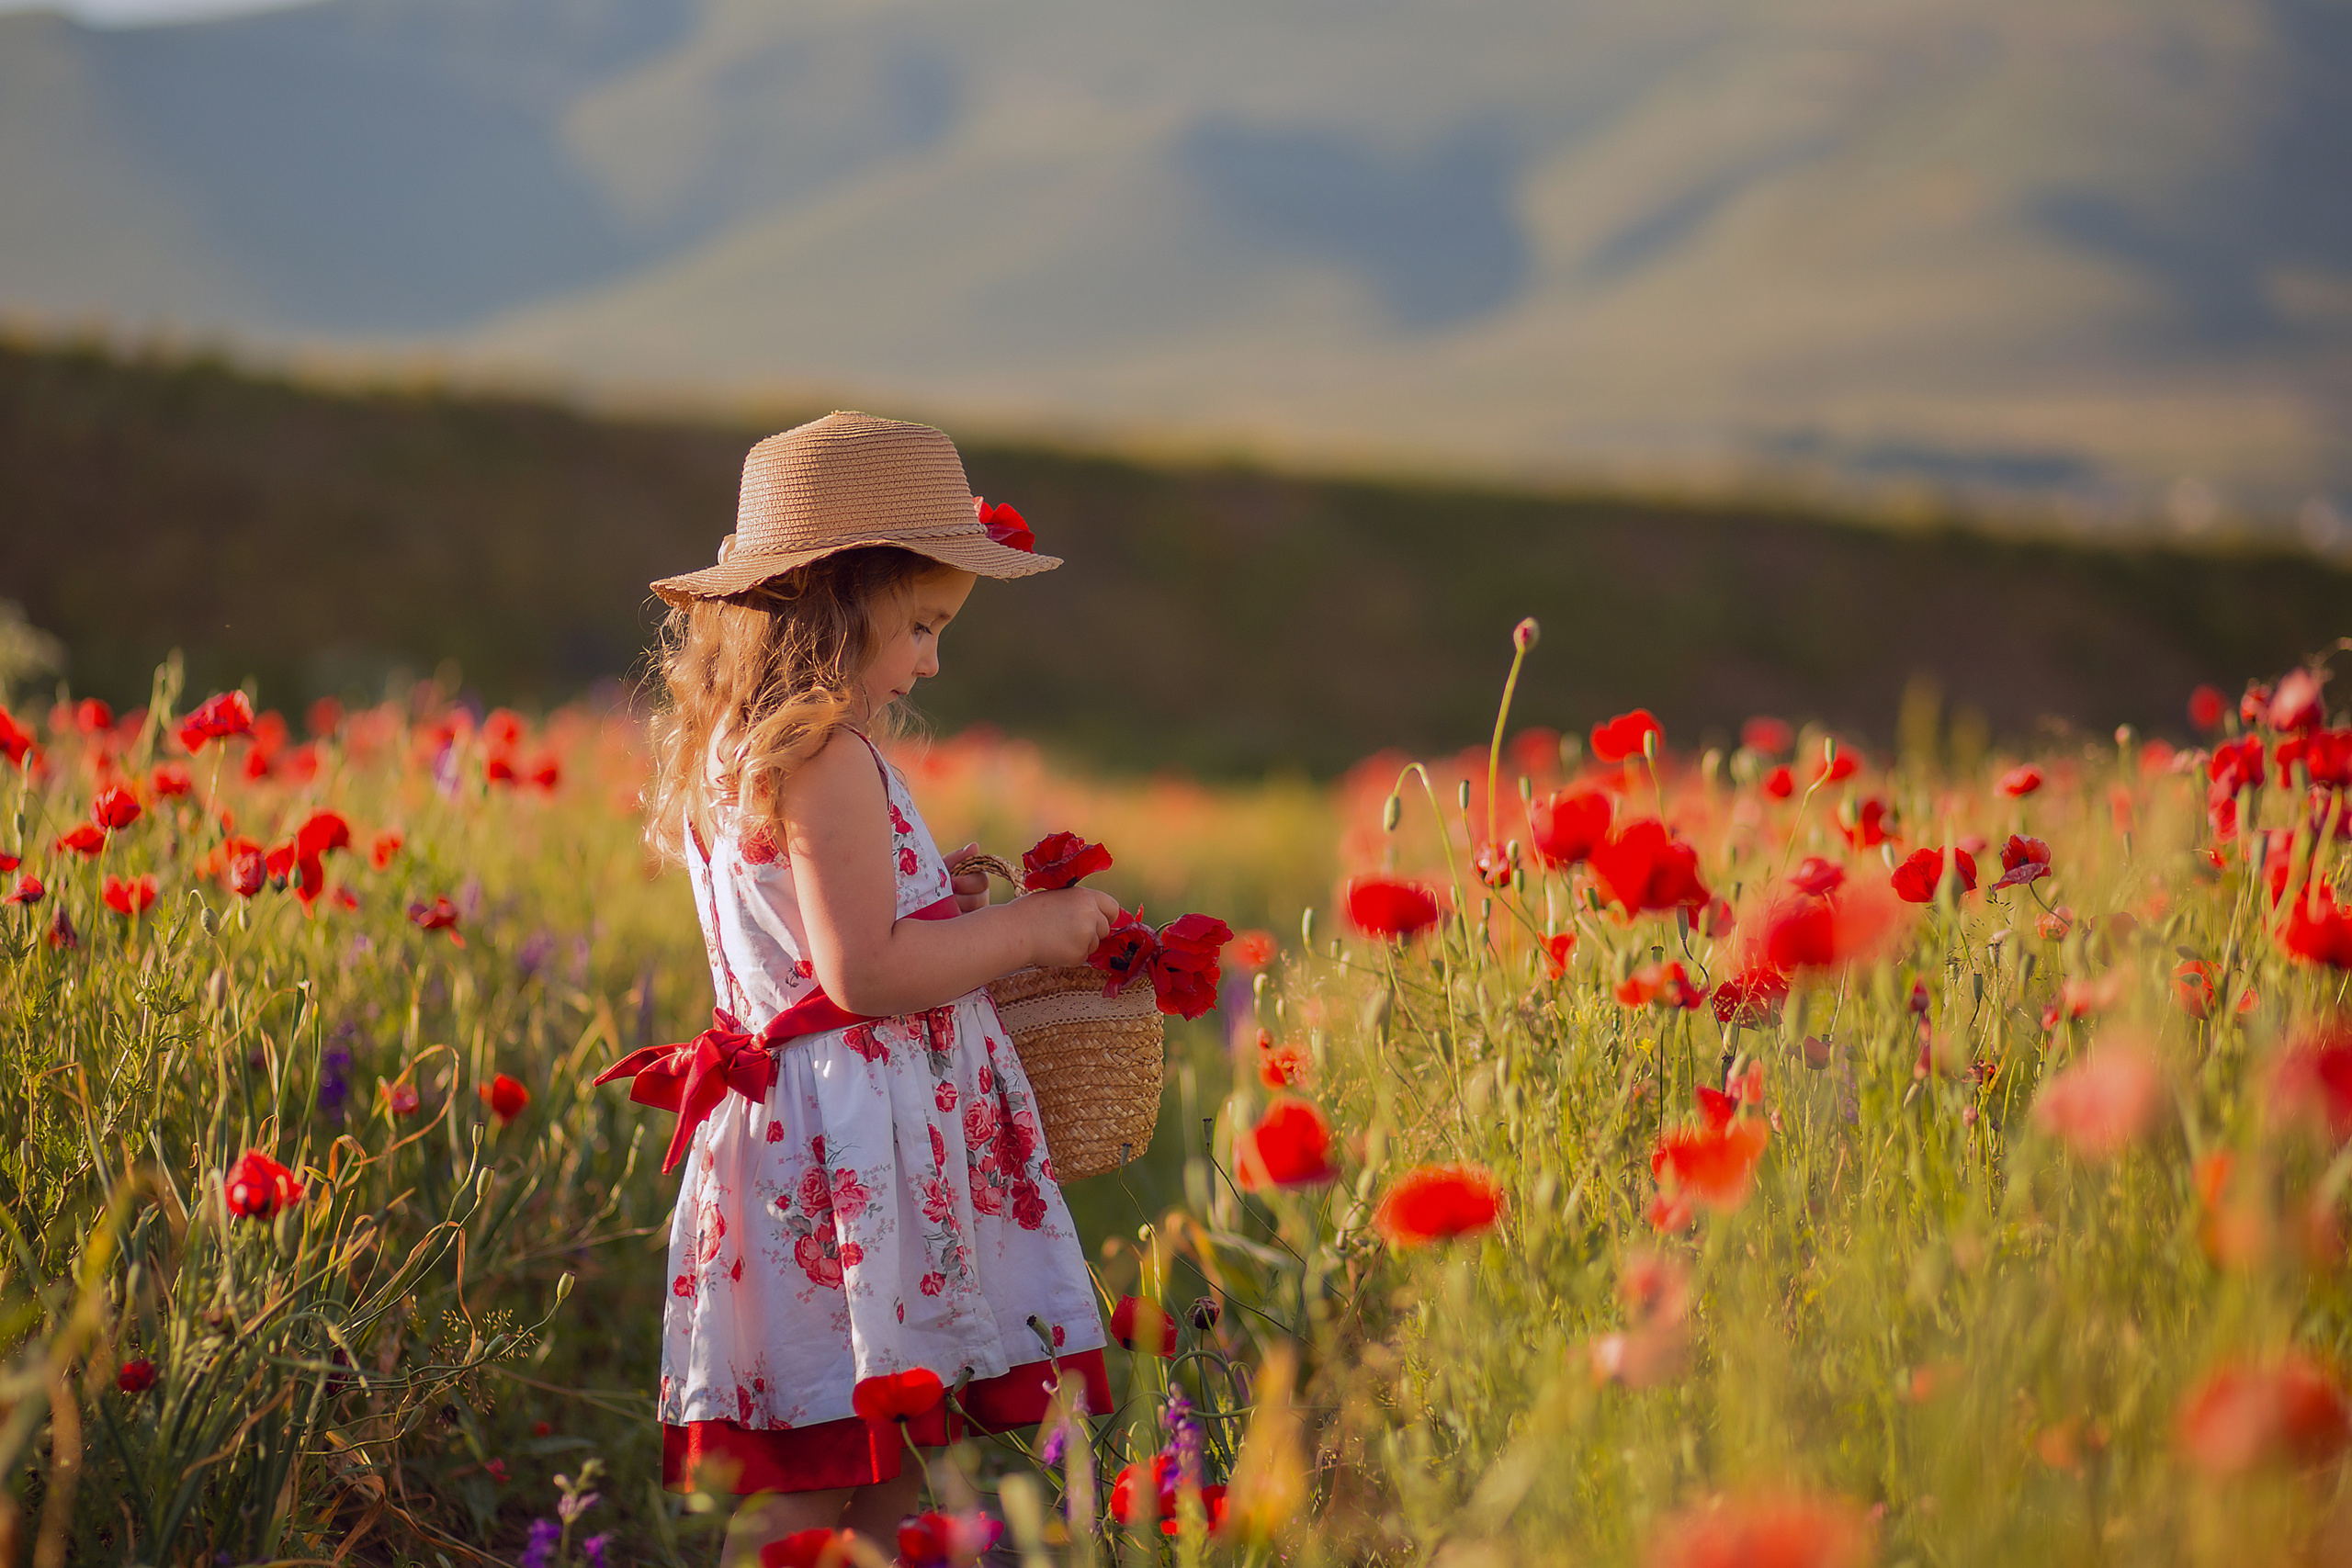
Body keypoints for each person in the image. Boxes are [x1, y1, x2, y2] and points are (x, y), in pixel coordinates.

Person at [605, 412, 1121, 1562]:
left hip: (806, 1136)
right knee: (829, 1466)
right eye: (924, 626)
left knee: (880, 1451)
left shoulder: (743, 748)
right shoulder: (829, 760)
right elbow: (865, 971)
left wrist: (952, 904)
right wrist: (1033, 932)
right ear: (841, 602)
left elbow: (820, 944)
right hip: (853, 1159)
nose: (934, 660)